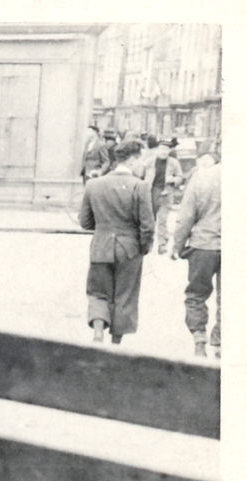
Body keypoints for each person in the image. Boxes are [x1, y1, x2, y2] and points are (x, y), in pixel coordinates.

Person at [79, 139, 154, 344]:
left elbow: (85, 222)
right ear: (132, 160)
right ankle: (116, 341)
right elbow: (147, 226)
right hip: (130, 250)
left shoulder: (94, 184)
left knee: (97, 291)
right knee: (125, 294)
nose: (143, 164)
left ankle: (98, 330)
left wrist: (104, 226)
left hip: (100, 247)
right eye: (142, 159)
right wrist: (143, 248)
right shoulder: (140, 186)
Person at [171, 146, 221, 358]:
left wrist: (178, 245)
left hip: (203, 245)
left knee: (196, 294)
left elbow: (186, 216)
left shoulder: (202, 177)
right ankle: (220, 342)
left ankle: (199, 339)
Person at [146, 137, 184, 254]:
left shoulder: (174, 162)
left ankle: (162, 244)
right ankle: (148, 243)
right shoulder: (150, 161)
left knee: (162, 220)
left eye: (166, 150)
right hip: (151, 192)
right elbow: (141, 176)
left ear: (169, 151)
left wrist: (172, 180)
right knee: (150, 219)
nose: (163, 152)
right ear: (157, 149)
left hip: (166, 193)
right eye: (161, 149)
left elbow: (180, 177)